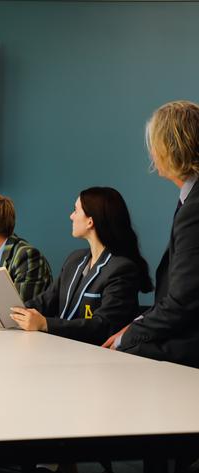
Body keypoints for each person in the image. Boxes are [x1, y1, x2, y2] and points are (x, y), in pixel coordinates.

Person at [103, 101, 199, 369]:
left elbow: (183, 301)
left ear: (170, 148)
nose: (152, 152)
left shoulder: (194, 209)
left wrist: (128, 337)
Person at [10, 187, 152, 345]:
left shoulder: (122, 269)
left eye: (75, 211)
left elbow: (103, 326)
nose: (71, 216)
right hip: (63, 349)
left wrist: (45, 324)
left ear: (90, 221)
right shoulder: (75, 259)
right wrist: (9, 312)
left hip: (97, 359)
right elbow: (47, 301)